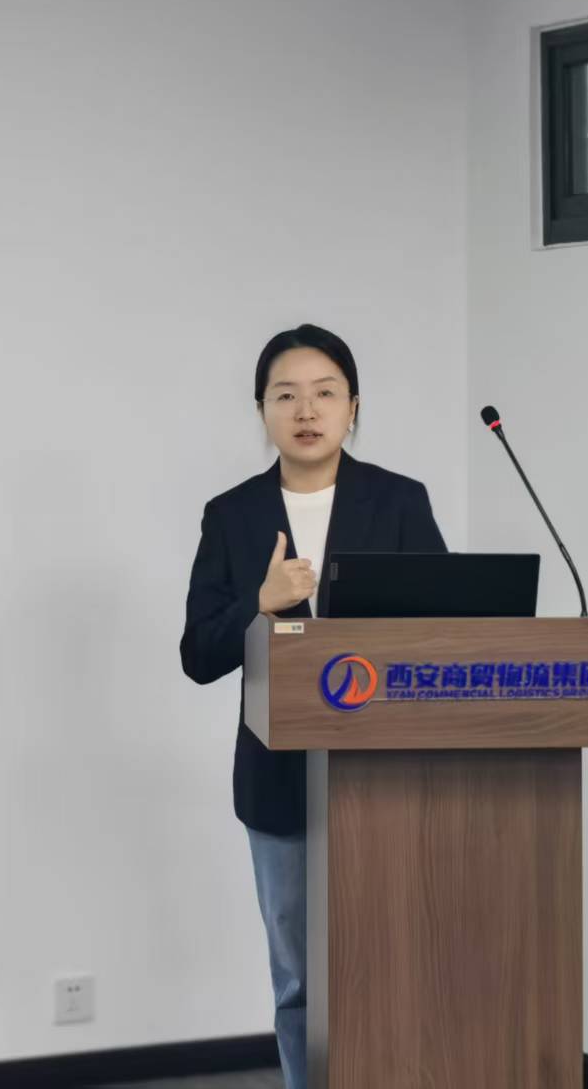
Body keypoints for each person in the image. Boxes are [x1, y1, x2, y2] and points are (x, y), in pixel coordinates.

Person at [179, 324, 446, 1089]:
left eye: (325, 392)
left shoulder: (399, 501)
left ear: (353, 406)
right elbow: (198, 654)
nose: (306, 410)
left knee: (392, 964)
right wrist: (258, 603)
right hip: (279, 775)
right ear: (261, 409)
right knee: (300, 978)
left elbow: (447, 626)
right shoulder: (232, 514)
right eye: (286, 394)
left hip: (389, 773)